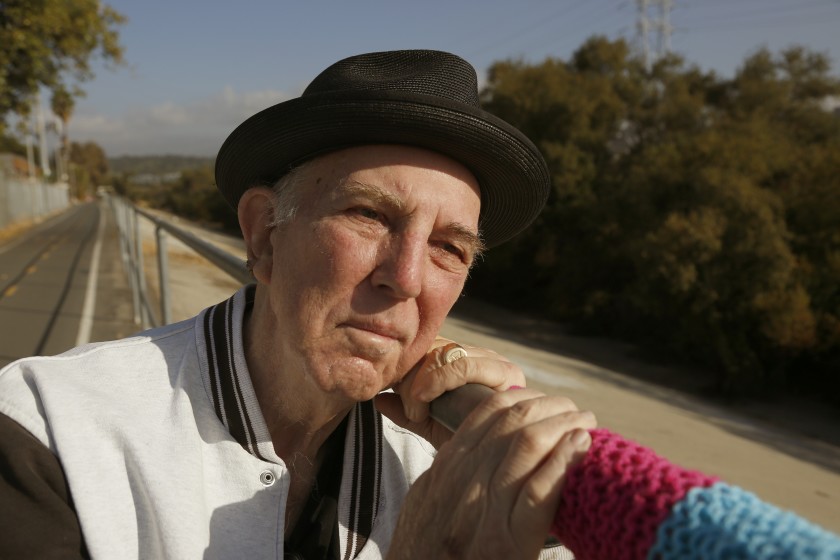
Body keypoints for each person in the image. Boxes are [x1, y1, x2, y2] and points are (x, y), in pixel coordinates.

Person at [0, 50, 596, 559]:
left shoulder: (442, 457)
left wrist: (525, 495)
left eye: (448, 248)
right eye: (368, 215)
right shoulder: (49, 432)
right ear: (263, 233)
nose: (407, 278)